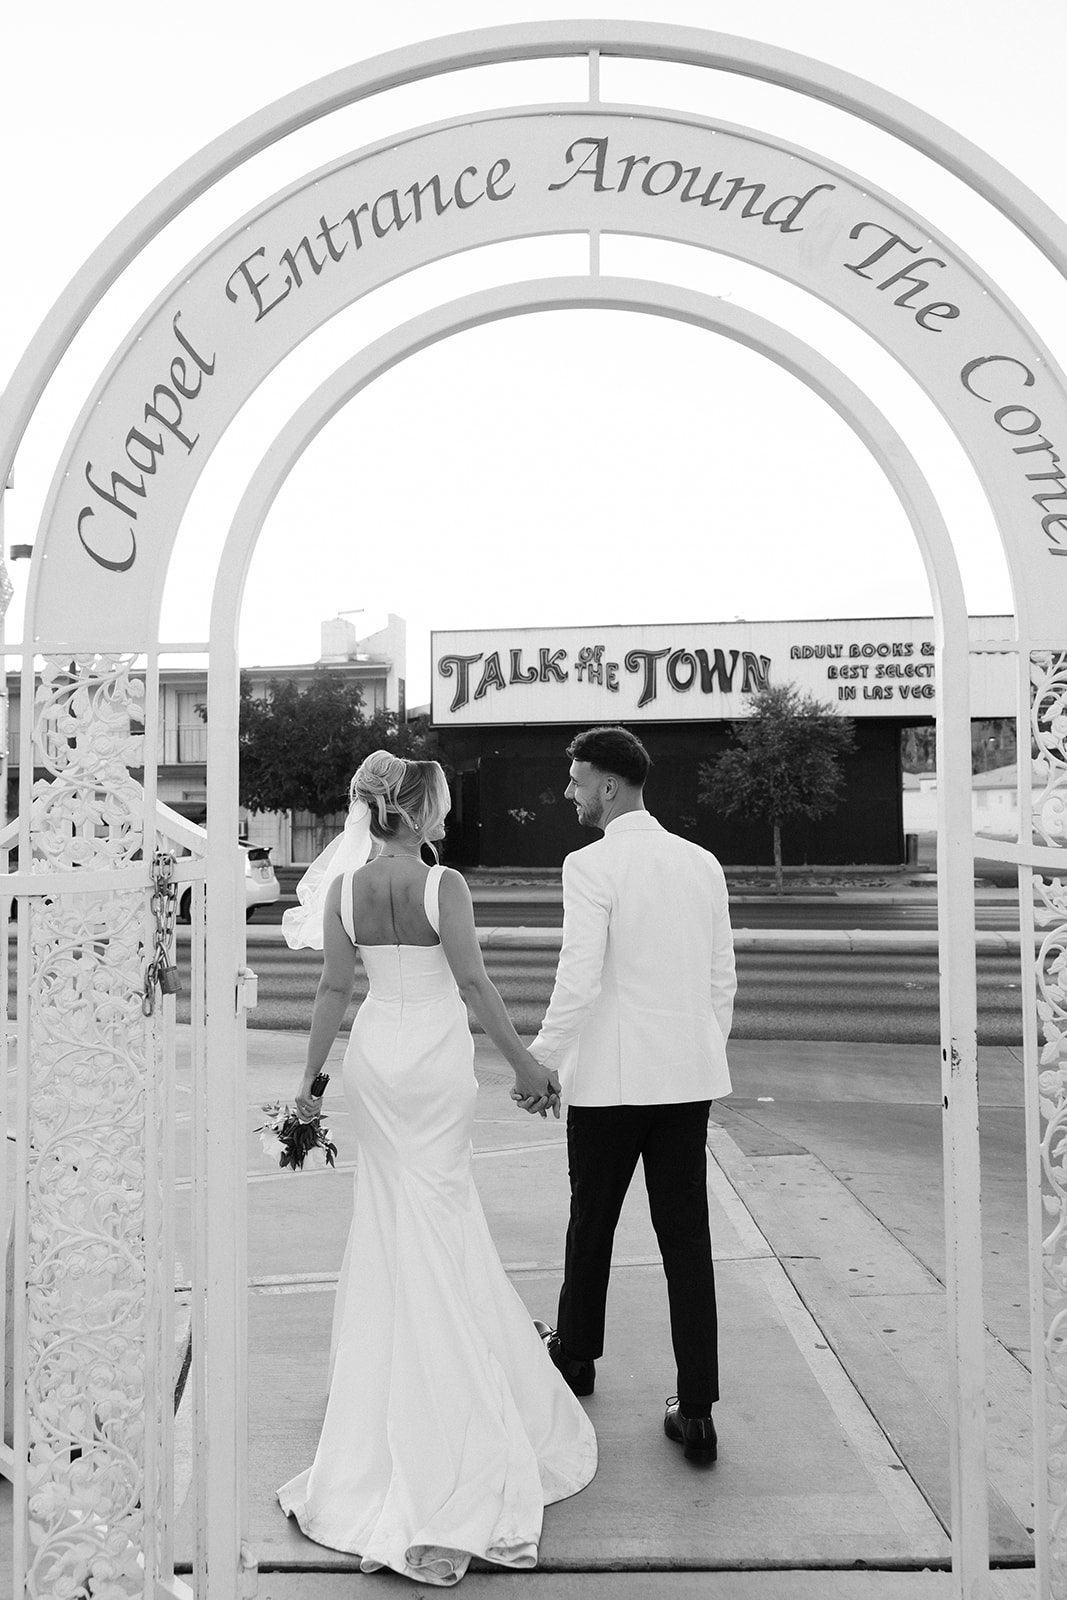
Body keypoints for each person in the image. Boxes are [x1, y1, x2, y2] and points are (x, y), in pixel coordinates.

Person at [277, 752, 596, 1585]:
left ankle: (386, 1398)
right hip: (434, 1061)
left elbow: (329, 994)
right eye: (440, 805)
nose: (446, 816)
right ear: (416, 812)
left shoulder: (347, 891)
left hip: (377, 1060)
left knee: (390, 1219)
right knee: (440, 1213)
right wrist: (526, 1067)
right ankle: (449, 1417)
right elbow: (473, 984)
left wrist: (305, 1089)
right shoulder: (441, 885)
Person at [517, 725, 735, 1465]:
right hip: (685, 1082)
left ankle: (575, 1357)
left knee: (593, 1224)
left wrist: (539, 1062)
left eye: (576, 780)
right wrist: (701, 1052)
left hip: (610, 1083)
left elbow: (577, 975)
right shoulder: (700, 862)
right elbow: (720, 979)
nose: (569, 793)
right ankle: (697, 1409)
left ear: (608, 785)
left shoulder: (590, 864)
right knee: (687, 1243)